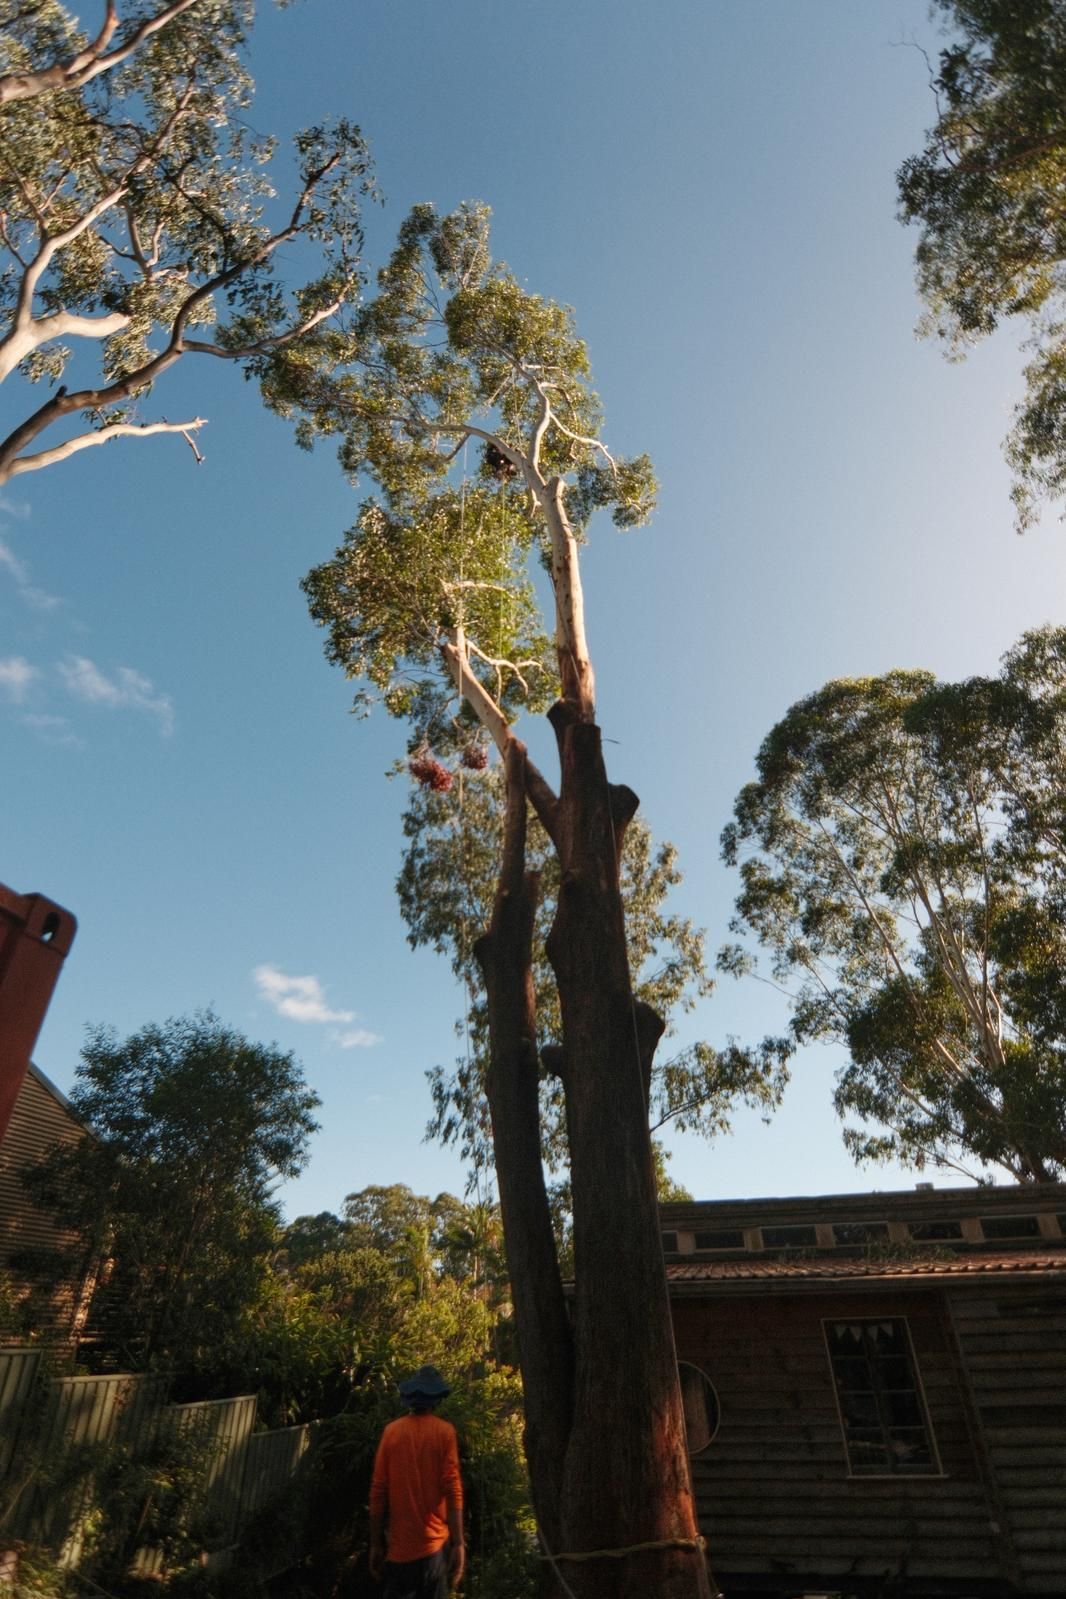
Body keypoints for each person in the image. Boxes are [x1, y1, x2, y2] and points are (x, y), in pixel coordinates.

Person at [369, 1364, 465, 1597]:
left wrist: (375, 1543)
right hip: (433, 1550)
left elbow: (378, 1491)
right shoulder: (444, 1433)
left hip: (399, 1553)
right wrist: (459, 1543)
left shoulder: (392, 1433)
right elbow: (452, 1489)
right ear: (436, 1399)